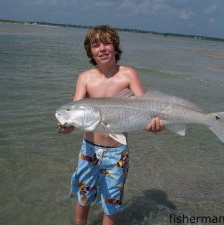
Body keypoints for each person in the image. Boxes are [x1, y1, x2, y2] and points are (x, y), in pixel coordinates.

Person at [60, 25, 163, 225]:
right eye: (96, 45)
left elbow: (145, 108)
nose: (102, 48)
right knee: (83, 198)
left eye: (107, 43)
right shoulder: (85, 78)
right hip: (89, 150)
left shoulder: (128, 74)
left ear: (115, 47)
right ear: (90, 51)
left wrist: (155, 124)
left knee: (112, 204)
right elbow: (74, 111)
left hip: (117, 153)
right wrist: (66, 127)